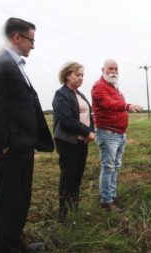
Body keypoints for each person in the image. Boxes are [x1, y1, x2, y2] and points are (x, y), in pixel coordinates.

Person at [0, 17, 54, 253]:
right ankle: (5, 248)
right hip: (8, 149)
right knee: (8, 203)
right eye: (31, 40)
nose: (33, 45)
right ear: (17, 37)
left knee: (20, 201)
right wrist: (4, 144)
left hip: (22, 147)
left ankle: (17, 245)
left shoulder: (16, 66)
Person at [91, 59, 143, 210]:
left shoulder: (114, 88)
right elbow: (109, 104)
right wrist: (127, 106)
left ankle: (111, 195)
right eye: (110, 69)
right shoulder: (98, 87)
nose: (113, 71)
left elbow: (115, 104)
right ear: (103, 70)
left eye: (116, 69)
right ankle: (106, 201)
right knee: (108, 167)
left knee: (115, 166)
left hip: (119, 134)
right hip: (108, 133)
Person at [52, 61, 95, 222]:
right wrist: (87, 132)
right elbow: (67, 120)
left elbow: (89, 117)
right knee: (68, 177)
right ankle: (63, 215)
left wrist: (91, 131)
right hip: (67, 142)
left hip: (81, 142)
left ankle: (74, 209)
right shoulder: (61, 94)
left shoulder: (80, 94)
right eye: (77, 74)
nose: (80, 78)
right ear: (67, 75)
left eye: (82, 75)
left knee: (77, 176)